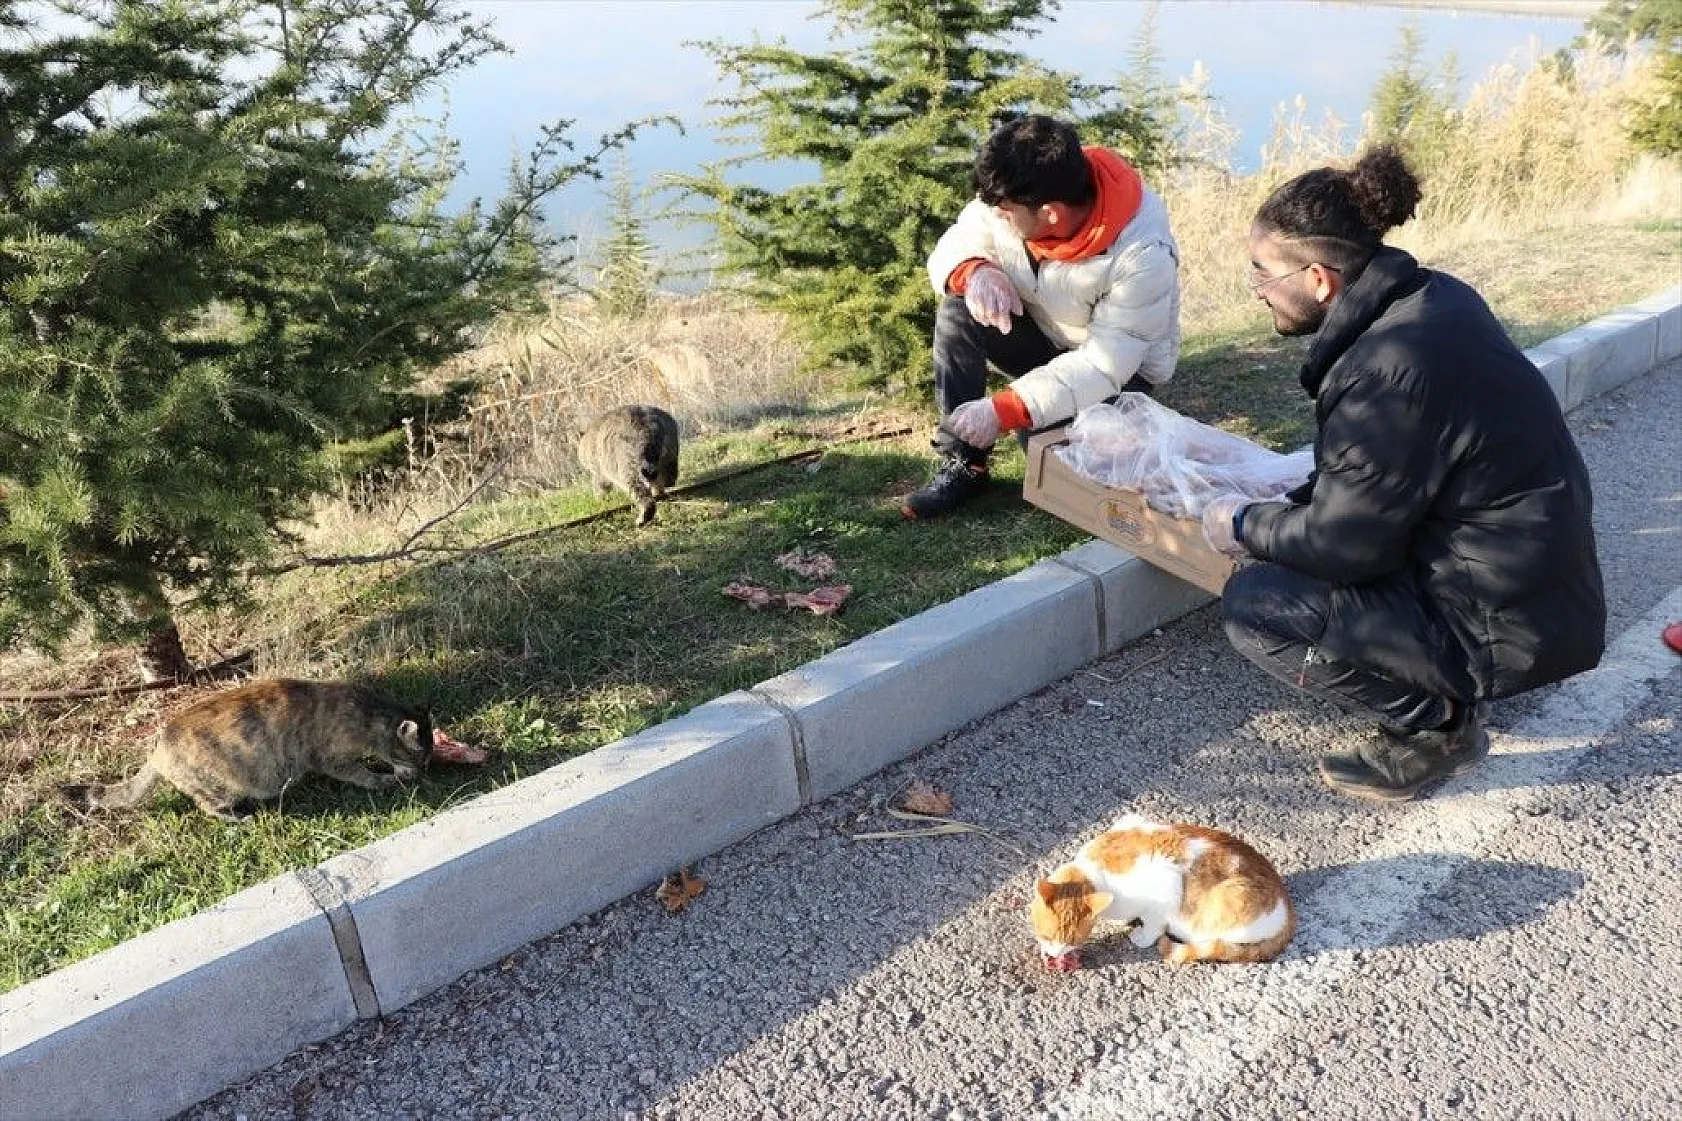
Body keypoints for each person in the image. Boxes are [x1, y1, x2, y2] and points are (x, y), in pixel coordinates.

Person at [1200, 144, 1606, 802]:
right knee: (1294, 544)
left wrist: (1243, 523)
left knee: (1256, 603)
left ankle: (1437, 725)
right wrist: (1293, 501)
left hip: (1502, 618)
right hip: (1534, 584)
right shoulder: (1429, 299)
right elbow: (1381, 479)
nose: (1256, 288)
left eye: (1263, 271)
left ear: (1320, 279)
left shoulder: (1387, 368)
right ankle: (1441, 682)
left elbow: (1345, 545)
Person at [902, 114, 1181, 519]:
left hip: (1122, 371)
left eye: (1004, 210)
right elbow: (959, 241)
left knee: (1039, 448)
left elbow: (1104, 364)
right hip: (1046, 337)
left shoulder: (1144, 252)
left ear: (1050, 214)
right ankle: (964, 461)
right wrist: (976, 270)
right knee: (959, 307)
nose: (995, 214)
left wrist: (1007, 409)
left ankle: (1086, 437)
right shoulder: (1022, 188)